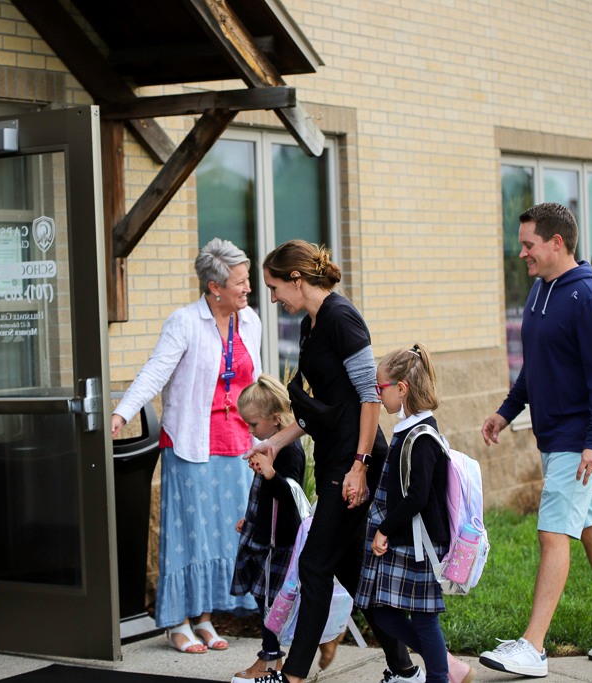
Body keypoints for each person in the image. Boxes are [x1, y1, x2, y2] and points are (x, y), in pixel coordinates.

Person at [479, 202, 592, 678]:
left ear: (557, 243)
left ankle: (532, 647)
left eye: (529, 244)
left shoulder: (588, 297)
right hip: (554, 437)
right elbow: (535, 365)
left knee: (552, 534)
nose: (522, 254)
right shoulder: (542, 290)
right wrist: (505, 411)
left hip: (578, 440)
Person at [246, 240, 419, 683]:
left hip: (354, 463)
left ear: (297, 280)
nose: (273, 298)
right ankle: (413, 667)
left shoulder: (343, 319)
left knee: (314, 564)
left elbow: (368, 399)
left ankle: (294, 675)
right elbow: (323, 407)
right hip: (334, 461)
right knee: (351, 571)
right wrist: (277, 442)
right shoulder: (311, 324)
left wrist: (359, 467)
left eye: (274, 286)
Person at [111, 238, 260, 654]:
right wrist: (121, 414)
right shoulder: (184, 322)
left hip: (237, 444)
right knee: (188, 534)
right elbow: (155, 372)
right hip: (191, 443)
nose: (247, 289)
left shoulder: (250, 321)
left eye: (248, 281)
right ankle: (178, 622)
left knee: (221, 535)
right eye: (240, 282)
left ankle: (206, 617)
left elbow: (257, 383)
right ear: (214, 287)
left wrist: (270, 436)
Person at [355, 343, 474, 683]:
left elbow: (417, 498)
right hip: (409, 541)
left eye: (381, 389)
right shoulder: (408, 430)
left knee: (423, 619)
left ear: (402, 389)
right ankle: (447, 666)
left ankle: (441, 674)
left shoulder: (421, 436)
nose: (379, 396)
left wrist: (385, 529)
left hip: (418, 544)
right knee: (383, 612)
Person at [230, 374, 307, 682]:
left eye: (254, 424)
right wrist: (250, 520)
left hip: (280, 543)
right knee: (263, 599)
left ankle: (270, 658)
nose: (251, 431)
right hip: (263, 536)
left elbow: (290, 499)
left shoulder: (291, 451)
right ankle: (269, 655)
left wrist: (272, 474)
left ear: (276, 420)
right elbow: (265, 499)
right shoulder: (268, 448)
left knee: (271, 601)